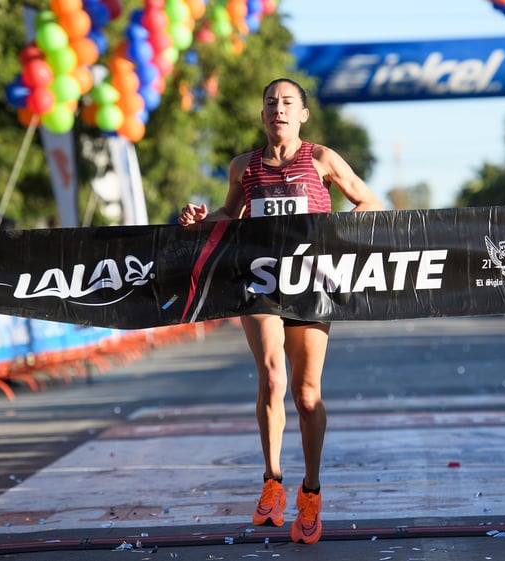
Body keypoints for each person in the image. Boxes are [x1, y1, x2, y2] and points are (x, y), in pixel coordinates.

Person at [178, 77, 383, 544]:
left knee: (306, 396)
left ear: (302, 115)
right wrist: (199, 220)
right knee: (271, 377)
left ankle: (311, 491)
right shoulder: (243, 167)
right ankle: (272, 481)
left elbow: (369, 202)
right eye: (270, 102)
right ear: (263, 114)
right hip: (261, 284)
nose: (279, 109)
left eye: (288, 103)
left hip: (312, 285)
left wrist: (336, 237)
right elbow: (228, 217)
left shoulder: (321, 159)